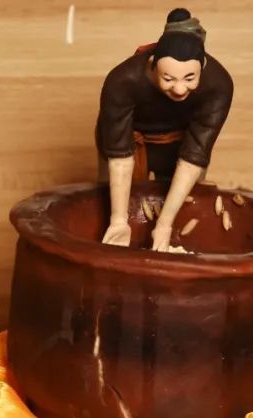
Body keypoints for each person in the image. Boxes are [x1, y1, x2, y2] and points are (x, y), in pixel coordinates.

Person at [96, 8, 234, 251]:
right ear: (152, 64)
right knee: (107, 202)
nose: (179, 89)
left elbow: (195, 155)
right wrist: (118, 221)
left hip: (181, 145)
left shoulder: (218, 85)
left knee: (187, 205)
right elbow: (119, 155)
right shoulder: (122, 81)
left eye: (189, 79)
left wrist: (164, 224)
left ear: (202, 65)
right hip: (129, 144)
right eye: (168, 79)